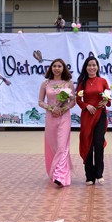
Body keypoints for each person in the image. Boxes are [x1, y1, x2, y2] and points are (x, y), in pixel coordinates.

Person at [38, 58, 75, 187]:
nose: (57, 68)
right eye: (54, 66)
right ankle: (56, 172)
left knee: (62, 146)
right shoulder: (45, 83)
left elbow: (73, 101)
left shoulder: (68, 83)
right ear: (51, 68)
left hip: (64, 117)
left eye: (59, 66)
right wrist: (51, 108)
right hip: (50, 118)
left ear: (63, 68)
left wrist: (62, 109)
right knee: (53, 147)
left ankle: (59, 175)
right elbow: (40, 101)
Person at [76, 56, 111, 185]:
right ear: (86, 67)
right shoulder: (82, 83)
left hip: (100, 115)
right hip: (87, 116)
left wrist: (106, 100)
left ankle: (99, 174)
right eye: (89, 65)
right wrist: (86, 105)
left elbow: (108, 97)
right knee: (88, 145)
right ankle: (89, 176)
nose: (92, 67)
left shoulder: (103, 81)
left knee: (98, 143)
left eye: (94, 65)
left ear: (97, 67)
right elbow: (78, 100)